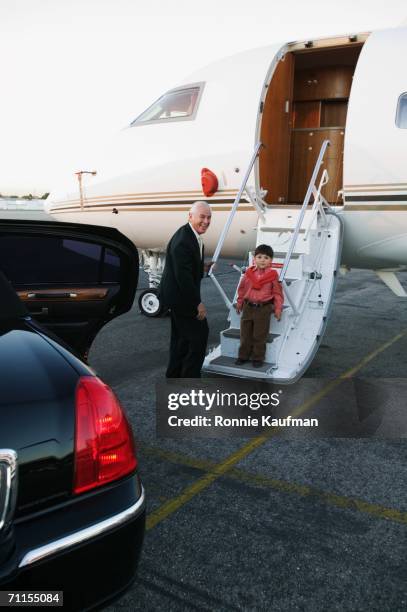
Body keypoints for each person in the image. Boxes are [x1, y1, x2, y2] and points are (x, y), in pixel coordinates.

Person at [159, 201, 212, 378]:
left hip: (177, 296)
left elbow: (184, 266)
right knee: (199, 337)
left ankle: (174, 377)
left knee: (181, 340)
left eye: (209, 217)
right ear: (190, 216)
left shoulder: (190, 234)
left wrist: (201, 266)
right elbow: (184, 278)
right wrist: (198, 303)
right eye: (202, 217)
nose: (206, 221)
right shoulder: (183, 240)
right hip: (181, 297)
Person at [235, 244, 284, 368]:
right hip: (248, 307)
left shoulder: (273, 276)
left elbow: (277, 293)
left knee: (259, 335)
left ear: (271, 260)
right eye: (260, 257)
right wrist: (240, 302)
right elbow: (241, 289)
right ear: (254, 259)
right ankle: (243, 356)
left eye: (266, 257)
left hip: (263, 308)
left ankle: (258, 358)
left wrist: (278, 309)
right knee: (245, 334)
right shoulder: (249, 274)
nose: (262, 260)